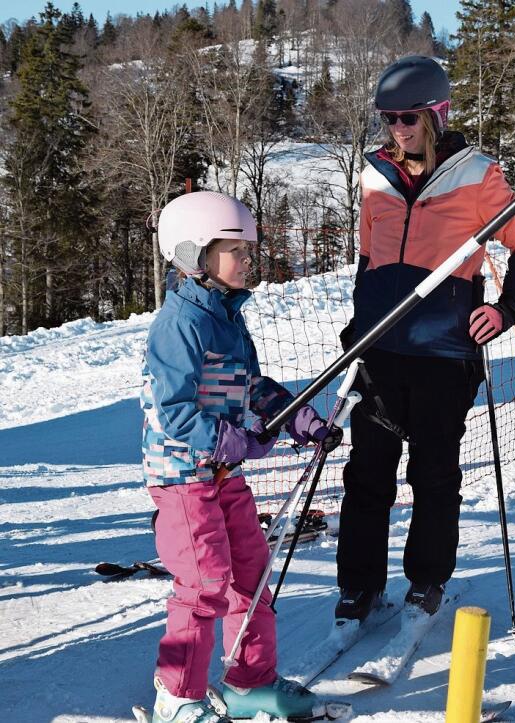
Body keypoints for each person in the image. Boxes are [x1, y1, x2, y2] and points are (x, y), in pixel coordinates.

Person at [335, 56, 515, 620]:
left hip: (442, 353)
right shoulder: (374, 175)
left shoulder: (476, 174)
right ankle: (358, 586)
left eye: (408, 117)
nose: (397, 129)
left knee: (432, 474)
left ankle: (427, 580)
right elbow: (367, 257)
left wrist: (506, 310)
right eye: (388, 119)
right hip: (379, 348)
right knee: (366, 474)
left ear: (435, 114)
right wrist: (358, 324)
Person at [141, 191, 342, 723]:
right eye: (236, 250)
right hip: (183, 478)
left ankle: (249, 681)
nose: (249, 260)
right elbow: (175, 411)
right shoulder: (180, 324)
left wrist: (299, 418)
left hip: (221, 474)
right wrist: (237, 441)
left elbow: (252, 387)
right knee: (205, 581)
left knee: (250, 572)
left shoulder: (227, 318)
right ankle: (175, 697)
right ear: (194, 254)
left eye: (249, 249)